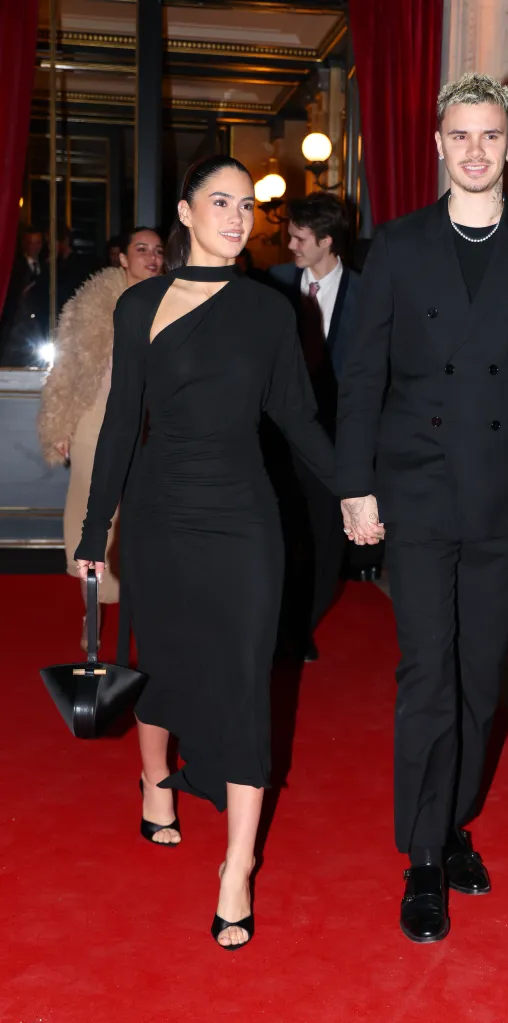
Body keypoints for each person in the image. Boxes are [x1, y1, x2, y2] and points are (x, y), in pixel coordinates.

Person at [336, 72, 508, 943]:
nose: (476, 150)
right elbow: (362, 375)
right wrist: (354, 484)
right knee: (428, 676)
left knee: (480, 679)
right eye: (461, 136)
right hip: (414, 489)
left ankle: (452, 825)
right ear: (439, 143)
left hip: (500, 492)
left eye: (491, 135)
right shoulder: (399, 245)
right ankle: (420, 855)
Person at [74, 155, 335, 950]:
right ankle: (156, 782)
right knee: (162, 659)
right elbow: (123, 420)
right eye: (218, 201)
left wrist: (360, 489)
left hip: (244, 517)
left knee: (246, 677)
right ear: (184, 213)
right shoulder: (142, 304)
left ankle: (237, 865)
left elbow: (296, 416)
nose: (235, 215)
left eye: (245, 204)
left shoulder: (270, 311)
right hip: (159, 512)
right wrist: (94, 534)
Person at [38, 228, 165, 650]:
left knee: (145, 524)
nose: (151, 257)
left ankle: (142, 609)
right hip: (96, 423)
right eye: (141, 249)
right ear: (122, 259)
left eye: (158, 251)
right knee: (92, 520)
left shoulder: (175, 305)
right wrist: (61, 425)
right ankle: (93, 613)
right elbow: (68, 368)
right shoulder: (94, 304)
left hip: (153, 428)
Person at [268, 193, 360, 659]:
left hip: (337, 438)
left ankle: (304, 621)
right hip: (281, 436)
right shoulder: (275, 285)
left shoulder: (367, 294)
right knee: (280, 531)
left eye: (300, 237)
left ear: (326, 241)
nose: (290, 245)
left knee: (325, 538)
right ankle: (281, 621)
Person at [0, 225, 45, 365]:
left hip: (41, 325)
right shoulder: (16, 267)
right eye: (31, 243)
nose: (35, 247)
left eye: (38, 242)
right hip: (19, 326)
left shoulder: (47, 266)